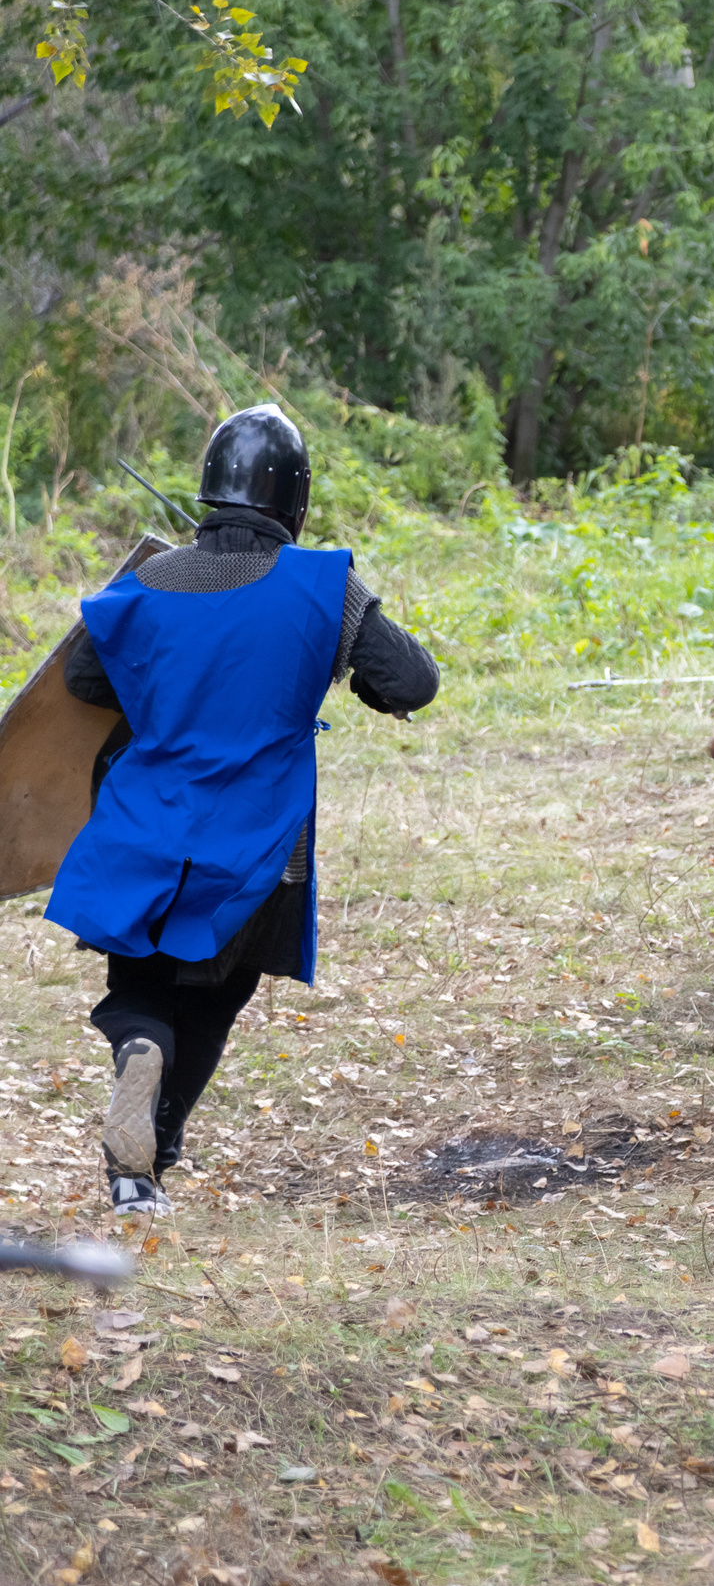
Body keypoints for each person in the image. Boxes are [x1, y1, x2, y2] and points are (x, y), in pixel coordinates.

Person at [47, 404, 439, 1216]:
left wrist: (166, 668)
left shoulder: (148, 583)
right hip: (259, 849)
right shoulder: (323, 588)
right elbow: (412, 680)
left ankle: (137, 1085)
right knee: (217, 996)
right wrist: (347, 673)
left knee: (142, 985)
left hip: (148, 830)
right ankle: (150, 1160)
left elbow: (84, 678)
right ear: (293, 501)